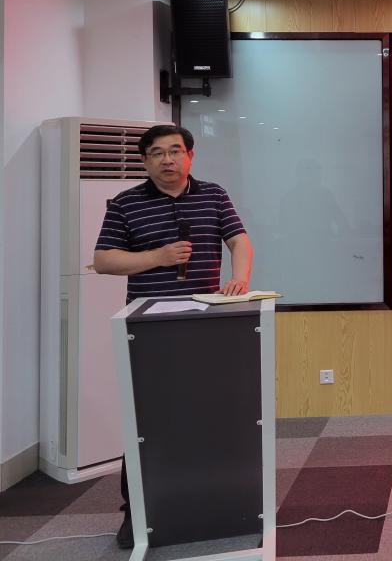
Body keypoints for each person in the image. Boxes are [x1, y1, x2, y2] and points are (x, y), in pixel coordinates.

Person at [93, 123, 253, 548]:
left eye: (176, 151)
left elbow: (238, 241)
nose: (168, 160)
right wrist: (157, 257)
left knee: (209, 414)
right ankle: (137, 512)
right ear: (144, 161)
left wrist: (239, 279)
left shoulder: (213, 195)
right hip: (148, 329)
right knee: (148, 420)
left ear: (190, 155)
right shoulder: (125, 203)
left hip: (206, 322)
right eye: (158, 153)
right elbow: (104, 260)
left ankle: (206, 500)